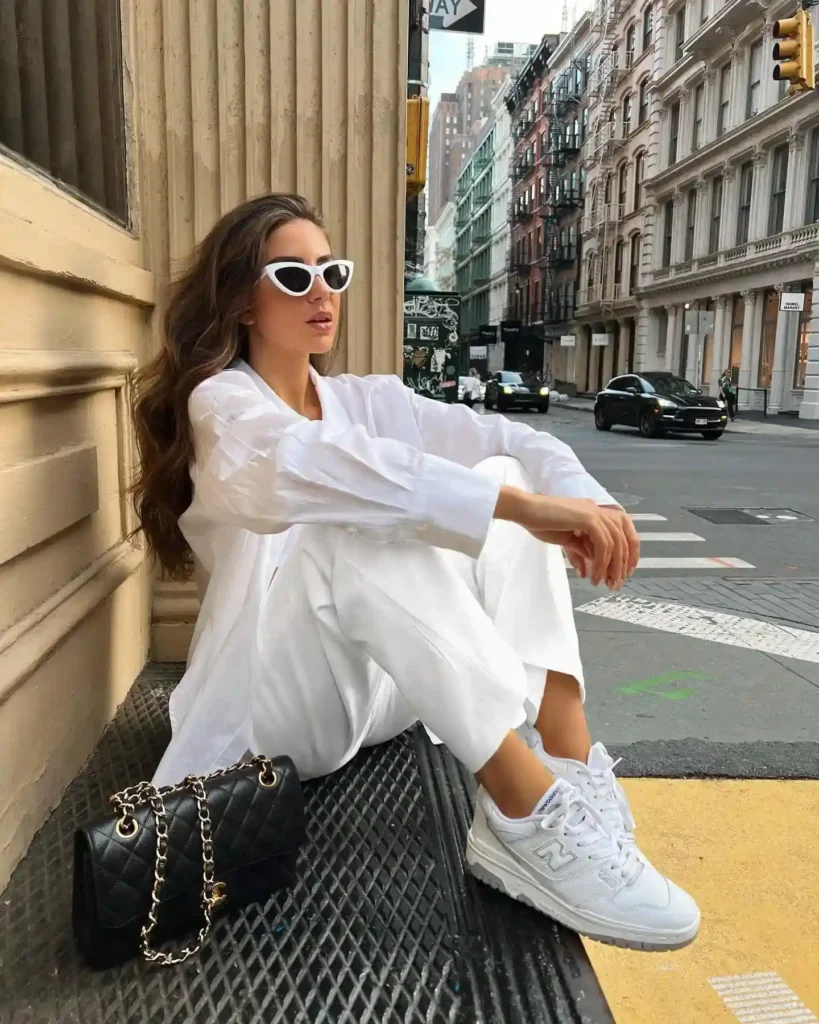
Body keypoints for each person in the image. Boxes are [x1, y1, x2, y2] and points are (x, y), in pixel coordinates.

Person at [131, 194, 699, 952]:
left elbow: (509, 440)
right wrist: (520, 509)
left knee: (495, 467)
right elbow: (302, 468)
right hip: (276, 713)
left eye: (331, 271)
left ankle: (567, 761)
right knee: (359, 520)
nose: (323, 291)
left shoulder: (364, 400)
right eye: (293, 276)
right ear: (240, 298)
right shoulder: (223, 404)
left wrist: (584, 503)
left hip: (387, 699)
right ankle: (518, 809)